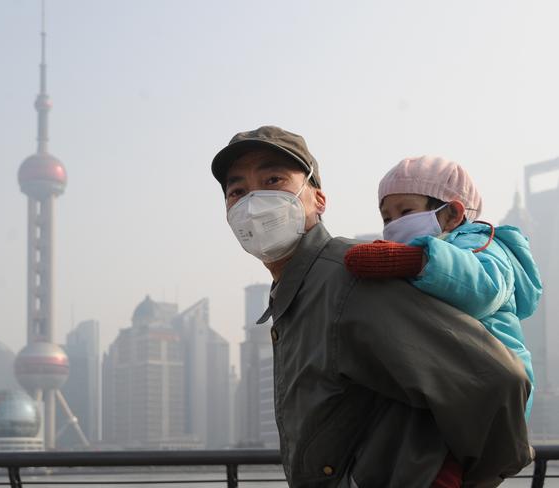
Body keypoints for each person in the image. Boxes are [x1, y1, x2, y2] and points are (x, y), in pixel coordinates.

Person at [211, 126, 533, 488]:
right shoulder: (297, 293)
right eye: (237, 191)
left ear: (317, 198)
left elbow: (498, 381)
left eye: (273, 180)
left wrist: (468, 480)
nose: (253, 202)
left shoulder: (350, 277)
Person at [344, 156, 542, 423]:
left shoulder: (482, 243)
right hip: (451, 383)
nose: (393, 225)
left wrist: (419, 260)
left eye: (405, 212)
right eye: (387, 217)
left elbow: (485, 290)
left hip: (489, 387)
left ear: (452, 214)